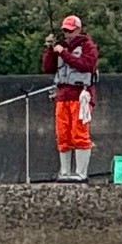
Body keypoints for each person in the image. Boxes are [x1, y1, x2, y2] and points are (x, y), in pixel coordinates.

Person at [41, 15, 100, 182]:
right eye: (65, 31)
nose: (67, 34)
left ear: (78, 30)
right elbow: (48, 67)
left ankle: (81, 173)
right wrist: (50, 49)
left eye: (70, 30)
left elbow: (86, 65)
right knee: (63, 134)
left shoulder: (88, 46)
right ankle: (65, 172)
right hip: (62, 96)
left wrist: (64, 53)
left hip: (81, 95)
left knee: (79, 132)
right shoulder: (60, 46)